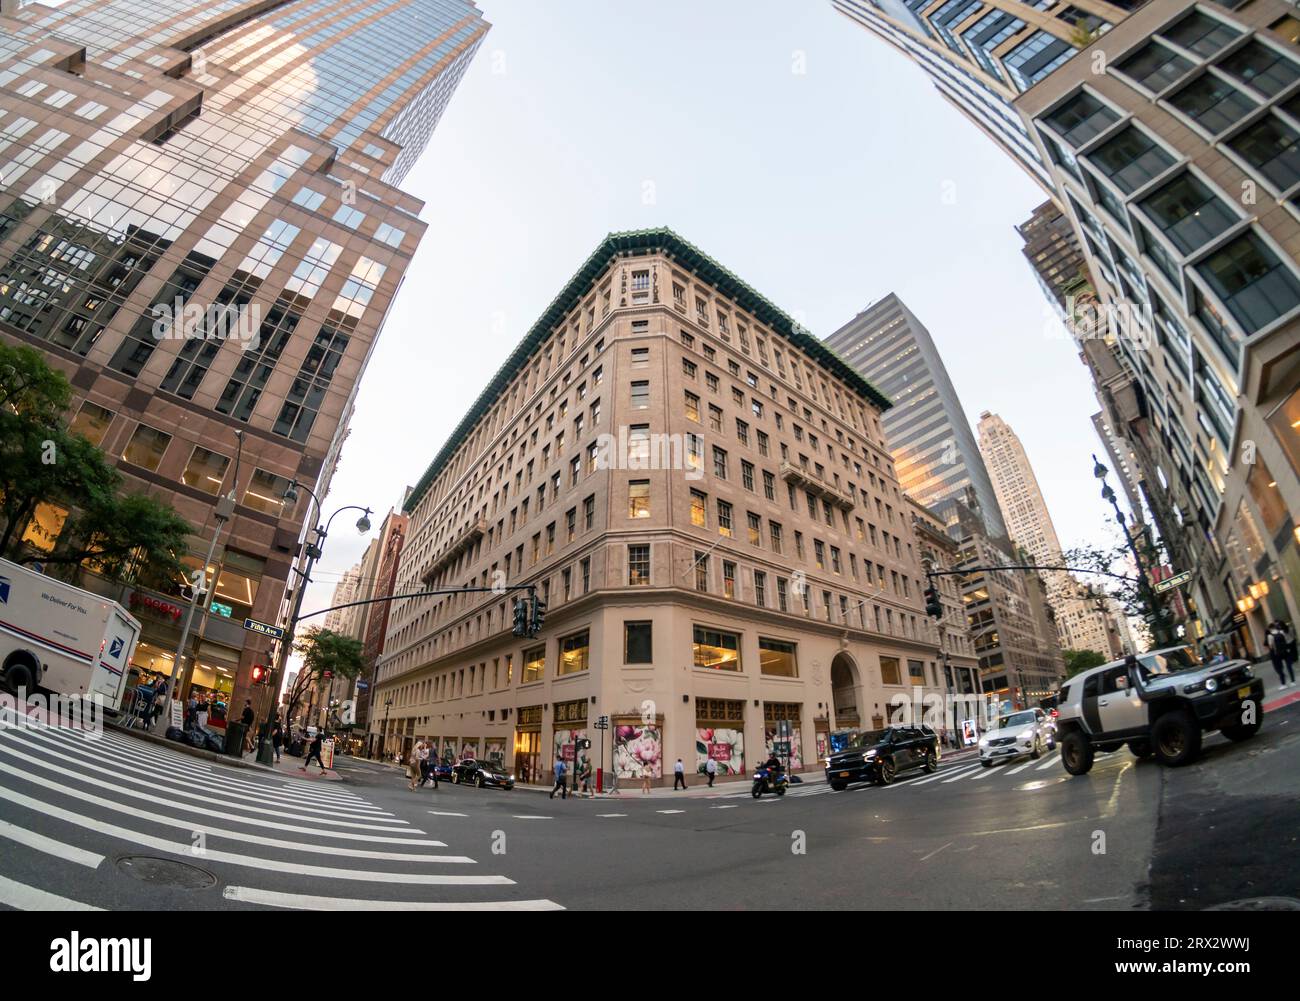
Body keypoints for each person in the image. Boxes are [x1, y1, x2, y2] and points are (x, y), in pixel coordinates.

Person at [1267, 621, 1291, 688]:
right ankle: (1292, 681)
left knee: (1279, 668)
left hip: (1276, 653)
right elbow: (1286, 640)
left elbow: (1271, 646)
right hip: (1285, 651)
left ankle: (1283, 684)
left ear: (1270, 628)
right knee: (1289, 665)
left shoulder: (1270, 636)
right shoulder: (1281, 632)